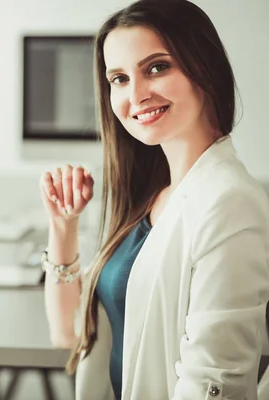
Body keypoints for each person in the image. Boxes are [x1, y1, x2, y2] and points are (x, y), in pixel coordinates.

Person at [40, 1, 269, 399]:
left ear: (205, 69)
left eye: (157, 68)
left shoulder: (230, 203)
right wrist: (63, 226)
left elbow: (213, 384)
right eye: (119, 79)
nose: (136, 94)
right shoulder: (153, 197)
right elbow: (69, 334)